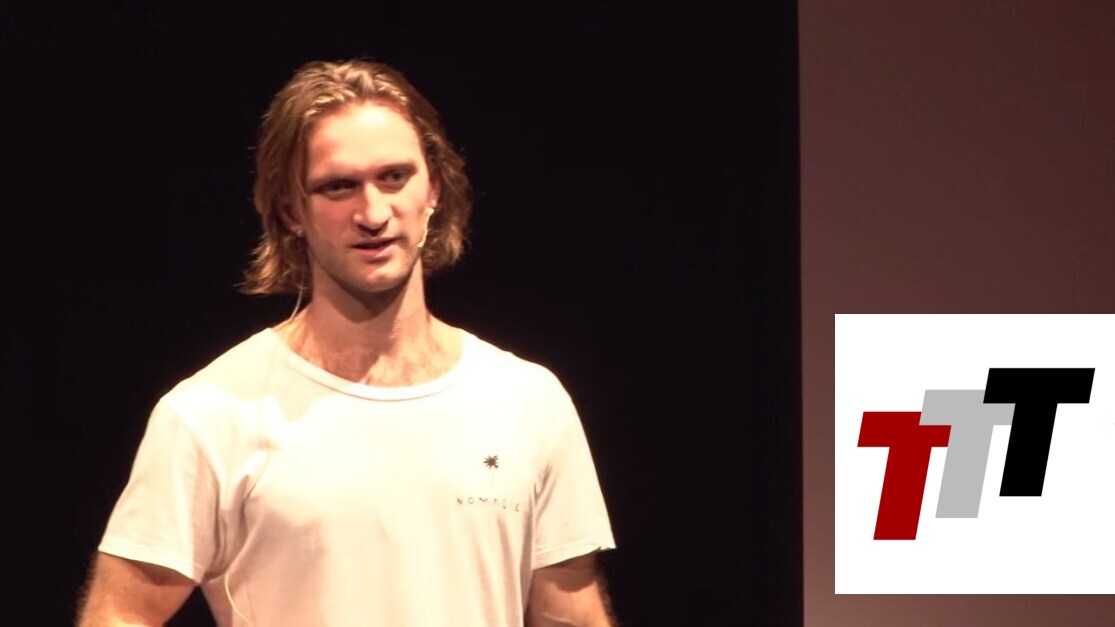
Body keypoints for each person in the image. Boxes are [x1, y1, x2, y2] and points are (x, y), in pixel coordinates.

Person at [77, 58, 617, 626]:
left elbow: (572, 618)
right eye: (338, 187)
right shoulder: (211, 415)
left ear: (433, 187)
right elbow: (118, 614)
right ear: (290, 209)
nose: (373, 213)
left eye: (394, 177)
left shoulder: (528, 402)